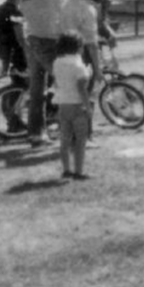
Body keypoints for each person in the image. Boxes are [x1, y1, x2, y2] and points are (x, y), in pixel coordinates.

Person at [16, 0, 66, 145]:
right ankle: (66, 128)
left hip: (33, 41)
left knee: (37, 92)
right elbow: (64, 13)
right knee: (67, 84)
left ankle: (36, 133)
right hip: (51, 42)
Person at [51, 30, 92, 181]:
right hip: (77, 105)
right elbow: (82, 89)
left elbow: (56, 82)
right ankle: (79, 172)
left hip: (63, 104)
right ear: (78, 47)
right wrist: (88, 107)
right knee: (80, 141)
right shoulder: (79, 65)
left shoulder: (57, 62)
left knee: (65, 140)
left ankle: (66, 169)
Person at [0, 0, 29, 133]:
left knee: (17, 86)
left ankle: (13, 119)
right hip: (18, 54)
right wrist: (30, 53)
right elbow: (20, 37)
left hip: (5, 52)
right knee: (25, 86)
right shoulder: (15, 12)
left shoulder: (0, 10)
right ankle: (14, 120)